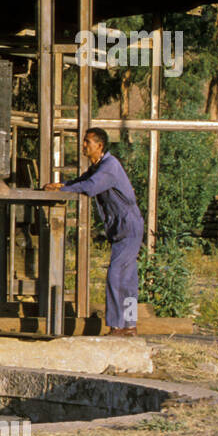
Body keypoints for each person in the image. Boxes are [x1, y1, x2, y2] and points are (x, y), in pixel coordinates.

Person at [45, 127, 145, 335]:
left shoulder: (109, 167)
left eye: (87, 142)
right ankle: (130, 325)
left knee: (116, 275)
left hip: (129, 226)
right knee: (127, 279)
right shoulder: (97, 167)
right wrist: (60, 185)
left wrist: (63, 190)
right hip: (121, 226)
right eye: (83, 141)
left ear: (99, 146)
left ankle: (118, 326)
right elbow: (81, 181)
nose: (83, 145)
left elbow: (90, 187)